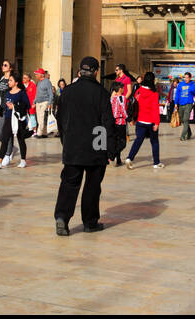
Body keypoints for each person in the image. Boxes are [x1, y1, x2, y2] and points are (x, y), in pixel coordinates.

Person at [52, 56, 113, 235]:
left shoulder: (68, 92)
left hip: (72, 146)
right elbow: (107, 123)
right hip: (96, 145)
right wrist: (108, 149)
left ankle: (62, 218)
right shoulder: (101, 93)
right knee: (92, 187)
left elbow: (60, 119)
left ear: (80, 71)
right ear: (95, 72)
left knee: (69, 184)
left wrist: (66, 140)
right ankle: (90, 222)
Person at [124, 72, 164, 169]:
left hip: (140, 121)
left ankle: (129, 158)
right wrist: (157, 123)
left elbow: (134, 106)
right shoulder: (154, 94)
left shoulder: (138, 91)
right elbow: (155, 110)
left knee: (138, 140)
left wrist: (133, 119)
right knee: (154, 142)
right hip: (150, 122)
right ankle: (156, 163)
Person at [0, 75, 31, 168]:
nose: (8, 82)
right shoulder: (7, 92)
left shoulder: (22, 93)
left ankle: (23, 160)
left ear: (16, 82)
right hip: (8, 118)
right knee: (5, 139)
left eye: (11, 80)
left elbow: (27, 105)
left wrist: (14, 106)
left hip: (18, 119)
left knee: (21, 139)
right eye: (9, 80)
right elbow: (4, 105)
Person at [172, 71, 195, 141]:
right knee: (182, 119)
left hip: (189, 104)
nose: (186, 79)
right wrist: (175, 103)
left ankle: (183, 135)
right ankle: (189, 132)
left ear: (190, 78)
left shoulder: (193, 85)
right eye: (185, 77)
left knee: (186, 119)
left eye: (187, 78)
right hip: (181, 104)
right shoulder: (180, 84)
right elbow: (177, 95)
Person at [108, 79, 129, 165]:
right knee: (123, 143)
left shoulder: (112, 98)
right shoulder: (122, 98)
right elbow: (122, 109)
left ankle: (118, 159)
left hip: (113, 122)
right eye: (123, 88)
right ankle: (112, 155)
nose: (124, 90)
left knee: (117, 141)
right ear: (120, 89)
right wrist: (128, 118)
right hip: (121, 122)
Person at [33, 69, 54, 137]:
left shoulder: (47, 82)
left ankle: (39, 133)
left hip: (45, 101)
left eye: (37, 74)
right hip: (38, 102)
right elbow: (37, 93)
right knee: (40, 118)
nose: (36, 75)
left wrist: (49, 103)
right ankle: (44, 133)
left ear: (41, 75)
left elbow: (51, 93)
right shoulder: (39, 82)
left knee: (41, 118)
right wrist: (34, 102)